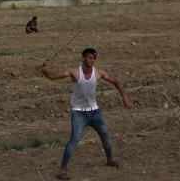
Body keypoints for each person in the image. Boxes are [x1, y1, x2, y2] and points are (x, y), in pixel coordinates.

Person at [40, 47, 133, 180]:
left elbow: (115, 81)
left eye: (94, 58)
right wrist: (45, 70)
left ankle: (110, 159)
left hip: (95, 112)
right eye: (90, 57)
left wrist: (125, 97)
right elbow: (53, 77)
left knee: (105, 135)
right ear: (83, 58)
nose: (92, 60)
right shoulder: (75, 72)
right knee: (74, 140)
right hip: (79, 113)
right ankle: (63, 170)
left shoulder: (99, 72)